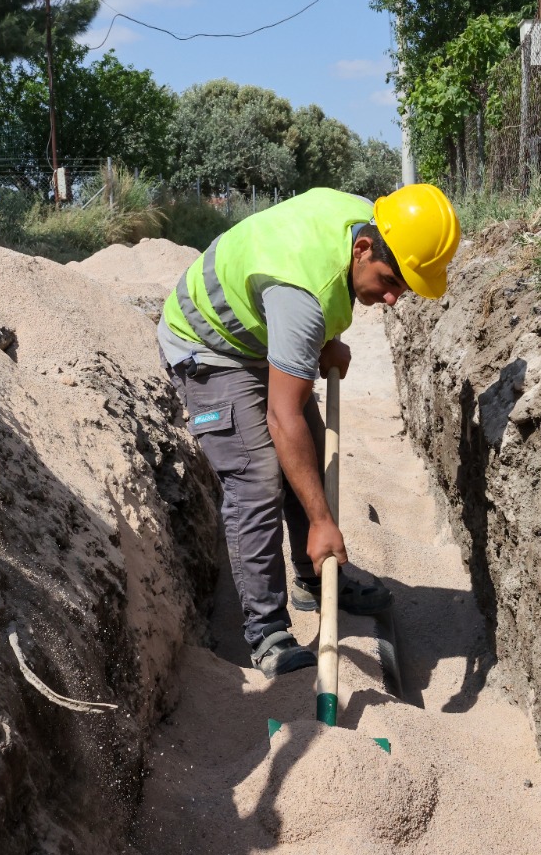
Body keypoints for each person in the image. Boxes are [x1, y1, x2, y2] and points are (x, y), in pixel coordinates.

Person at [158, 184, 461, 678]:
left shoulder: (369, 219)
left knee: (312, 455)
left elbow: (323, 280)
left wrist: (326, 340)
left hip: (262, 325)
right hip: (209, 346)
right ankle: (266, 631)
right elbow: (283, 417)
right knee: (258, 478)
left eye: (404, 287)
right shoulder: (303, 297)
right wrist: (322, 521)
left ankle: (314, 578)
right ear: (363, 248)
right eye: (389, 281)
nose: (392, 298)